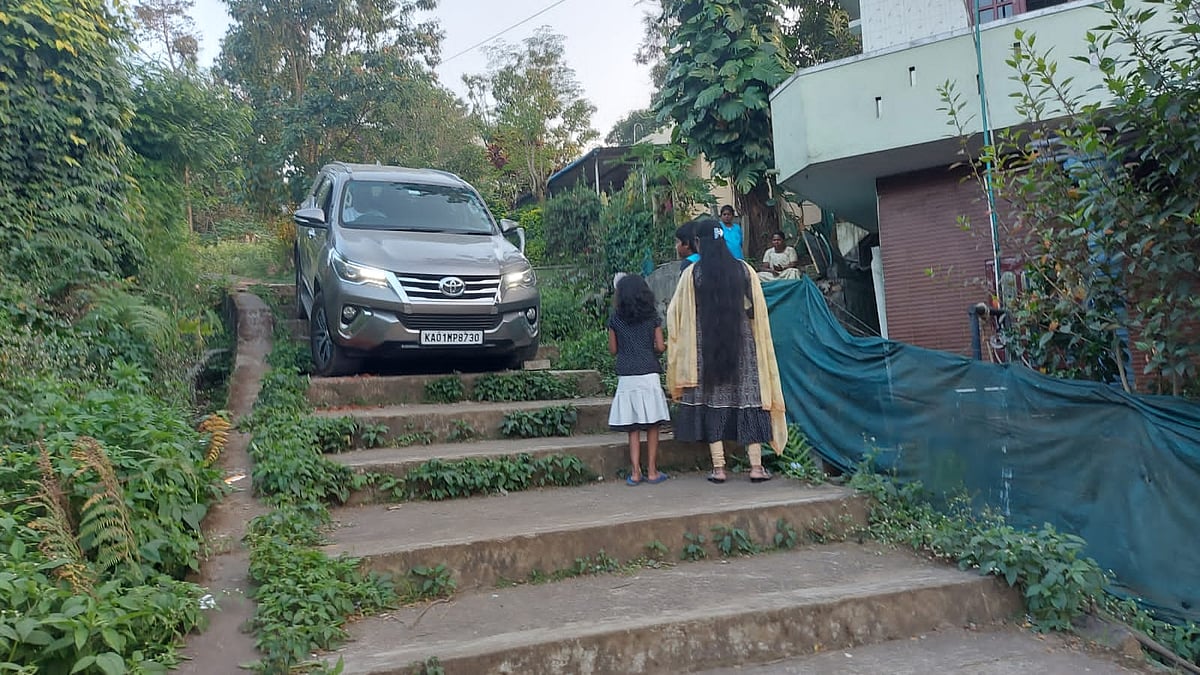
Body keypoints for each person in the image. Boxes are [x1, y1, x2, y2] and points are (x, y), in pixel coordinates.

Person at [666, 218, 787, 484]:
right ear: (722, 240)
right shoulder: (744, 270)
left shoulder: (693, 274)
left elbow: (675, 313)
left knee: (713, 402)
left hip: (705, 348)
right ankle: (756, 467)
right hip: (742, 347)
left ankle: (719, 468)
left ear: (698, 242)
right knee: (749, 400)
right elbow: (756, 309)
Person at [608, 273, 671, 485]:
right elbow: (660, 346)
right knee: (653, 425)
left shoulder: (616, 319)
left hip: (627, 376)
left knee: (632, 426)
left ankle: (635, 473)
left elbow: (613, 349)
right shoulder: (652, 316)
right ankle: (652, 471)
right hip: (649, 374)